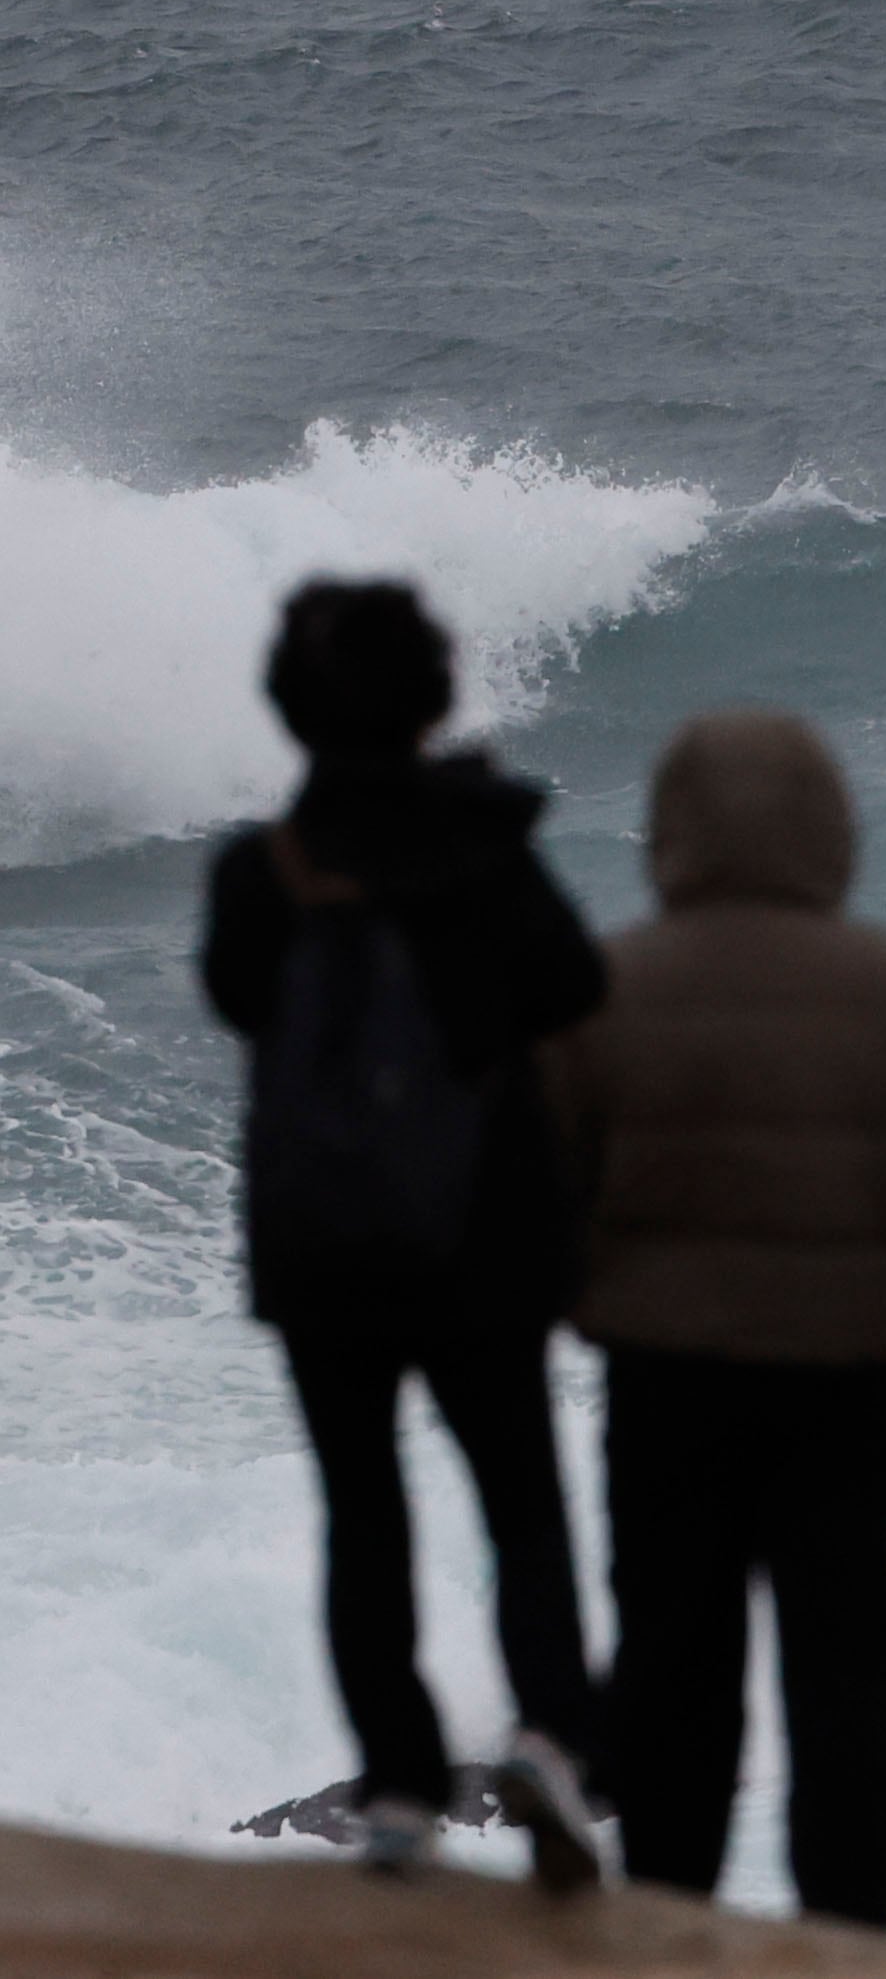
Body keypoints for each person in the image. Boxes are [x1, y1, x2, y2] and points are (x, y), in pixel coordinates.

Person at [543, 710, 886, 1932]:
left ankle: (668, 1908)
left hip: (664, 1377)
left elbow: (541, 1180)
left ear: (670, 829)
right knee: (843, 1660)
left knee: (675, 1652)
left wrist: (574, 1301)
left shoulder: (609, 985)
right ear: (831, 830)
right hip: (841, 1376)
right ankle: (849, 1929)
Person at [195, 579, 612, 1889]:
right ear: (432, 698)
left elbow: (237, 998)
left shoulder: (261, 870)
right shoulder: (485, 854)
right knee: (521, 1499)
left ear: (291, 709)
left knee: (362, 1510)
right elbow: (573, 982)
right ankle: (550, 1737)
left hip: (323, 1245)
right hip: (482, 1233)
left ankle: (396, 1787)